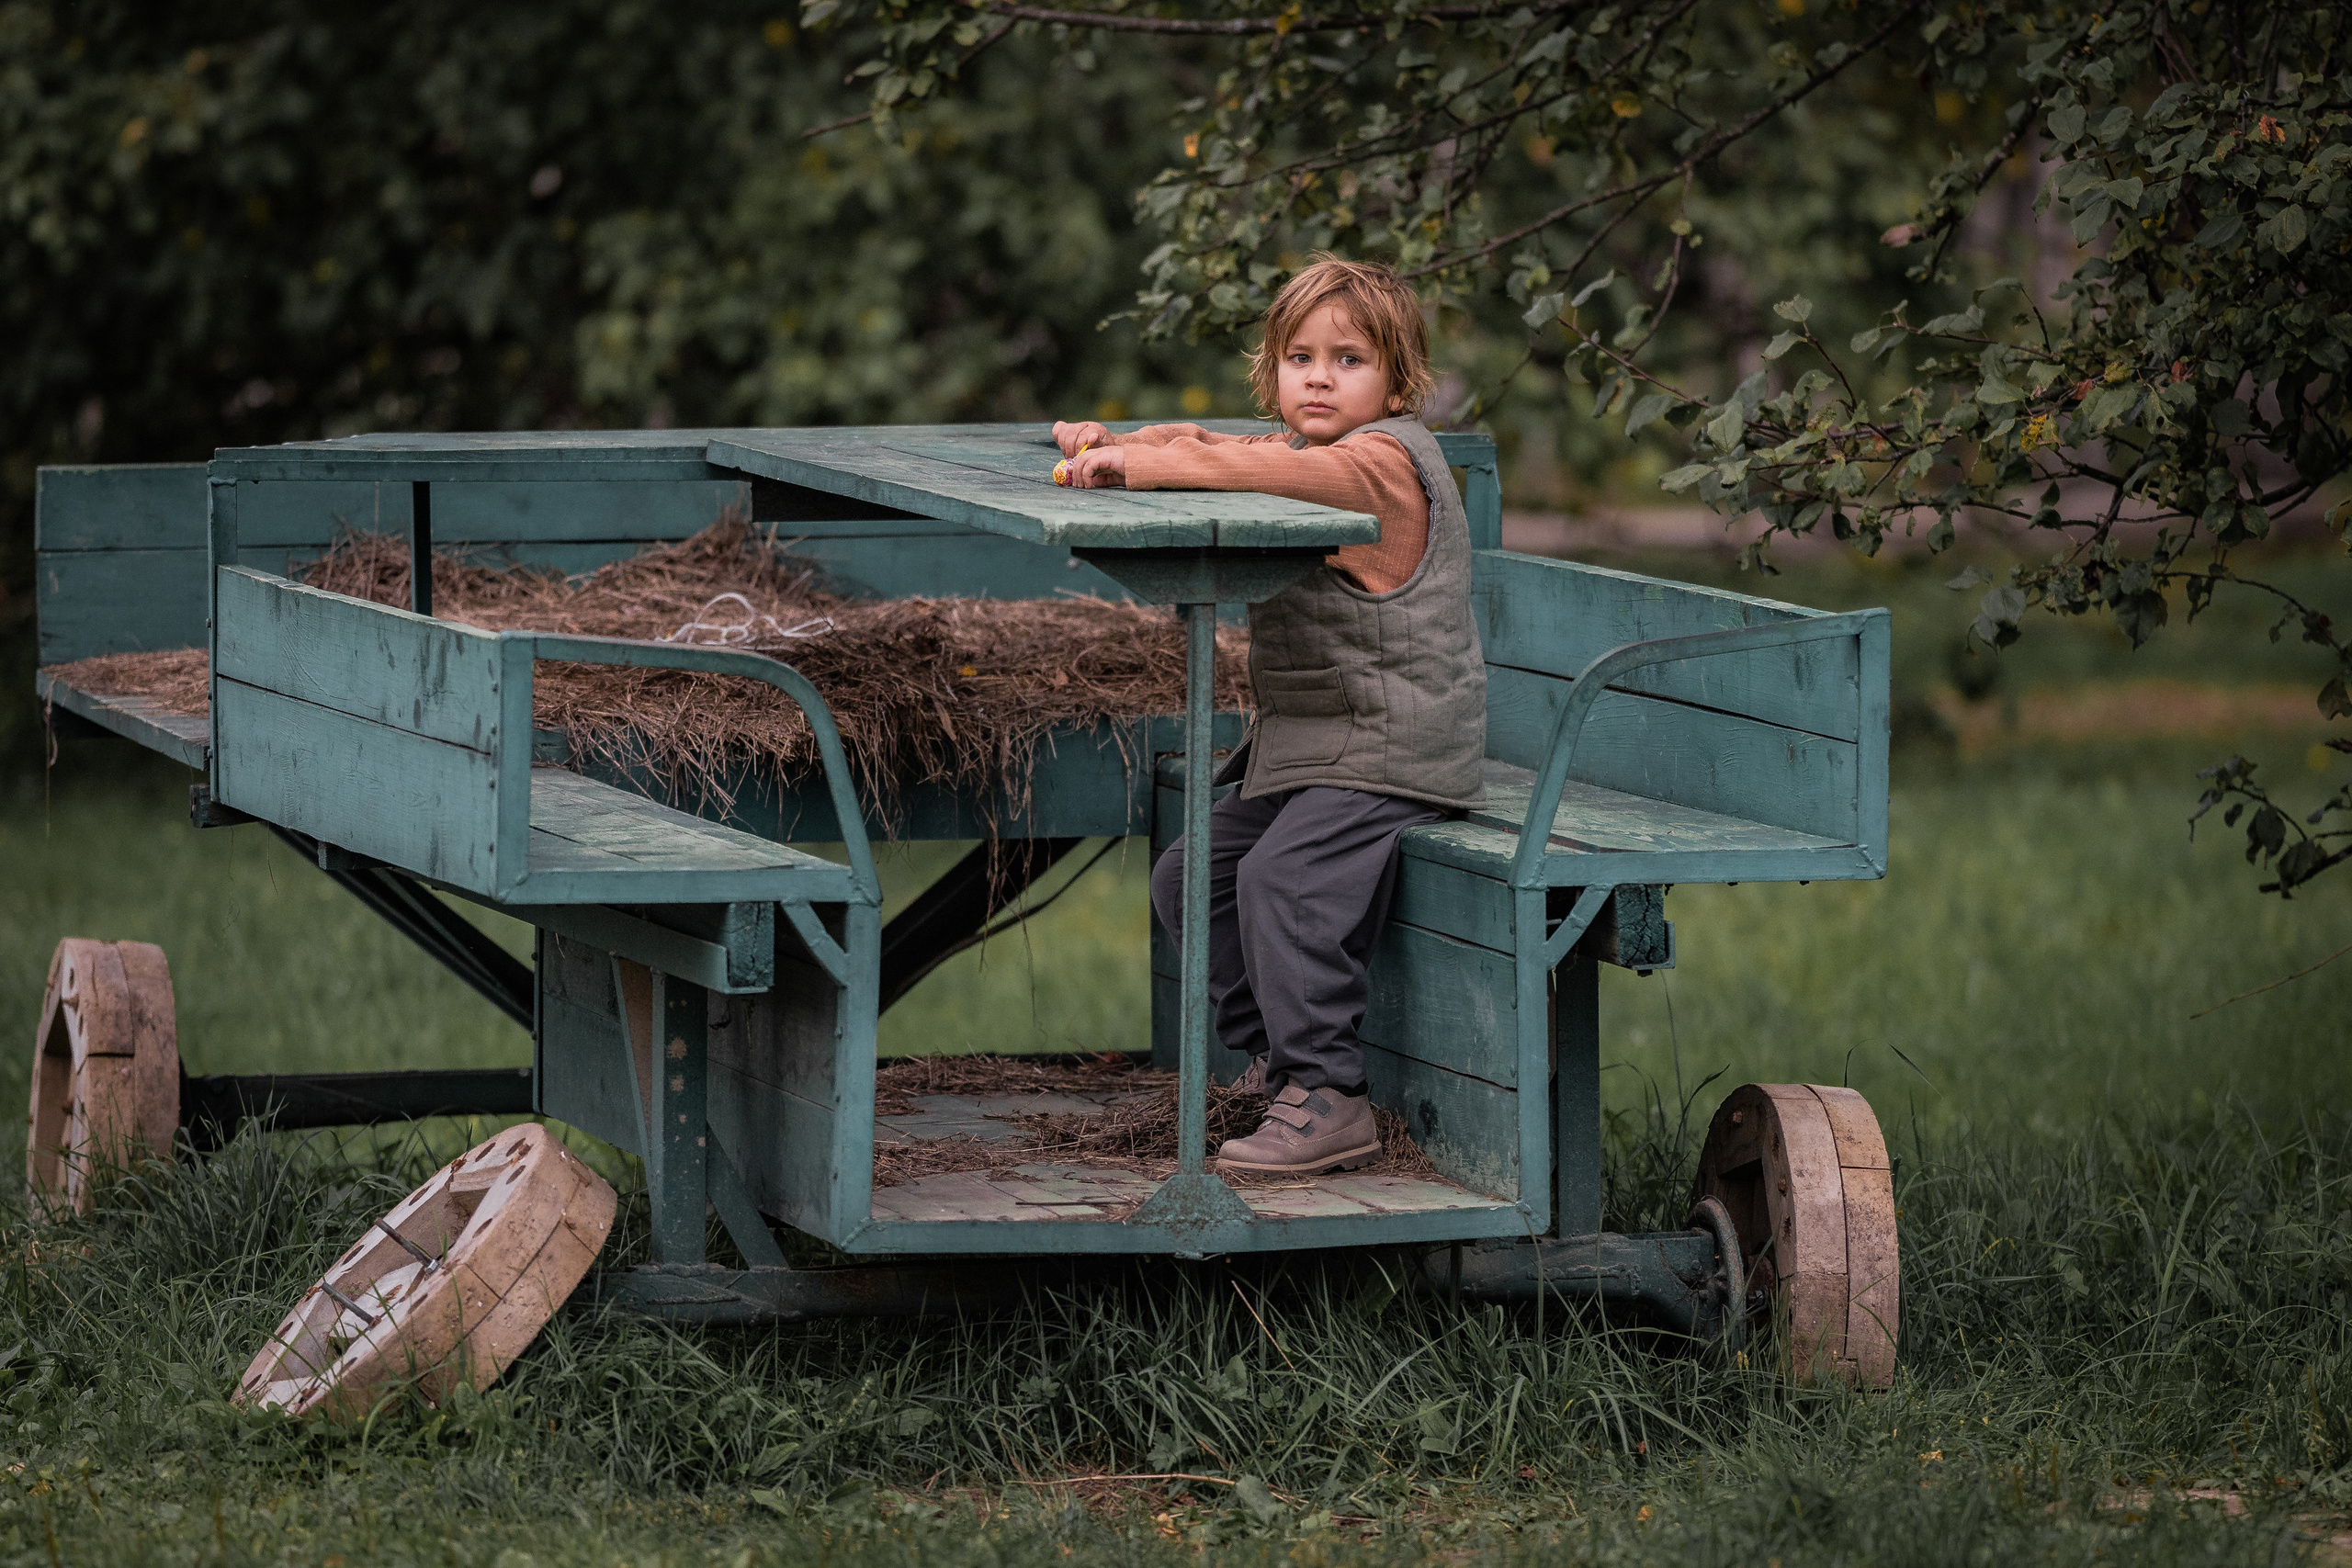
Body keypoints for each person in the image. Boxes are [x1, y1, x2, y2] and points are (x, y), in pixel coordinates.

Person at [1052, 254, 1487, 1176]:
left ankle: (1329, 1094)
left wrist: (1147, 466)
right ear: (1274, 370)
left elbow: (1237, 466)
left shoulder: (1377, 465)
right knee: (1193, 877)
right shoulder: (1310, 455)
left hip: (1395, 744)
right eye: (1299, 357)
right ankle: (1277, 1066)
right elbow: (1222, 445)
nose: (1319, 376)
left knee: (1282, 881)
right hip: (1326, 742)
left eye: (1348, 360)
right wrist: (1116, 443)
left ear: (1397, 381)